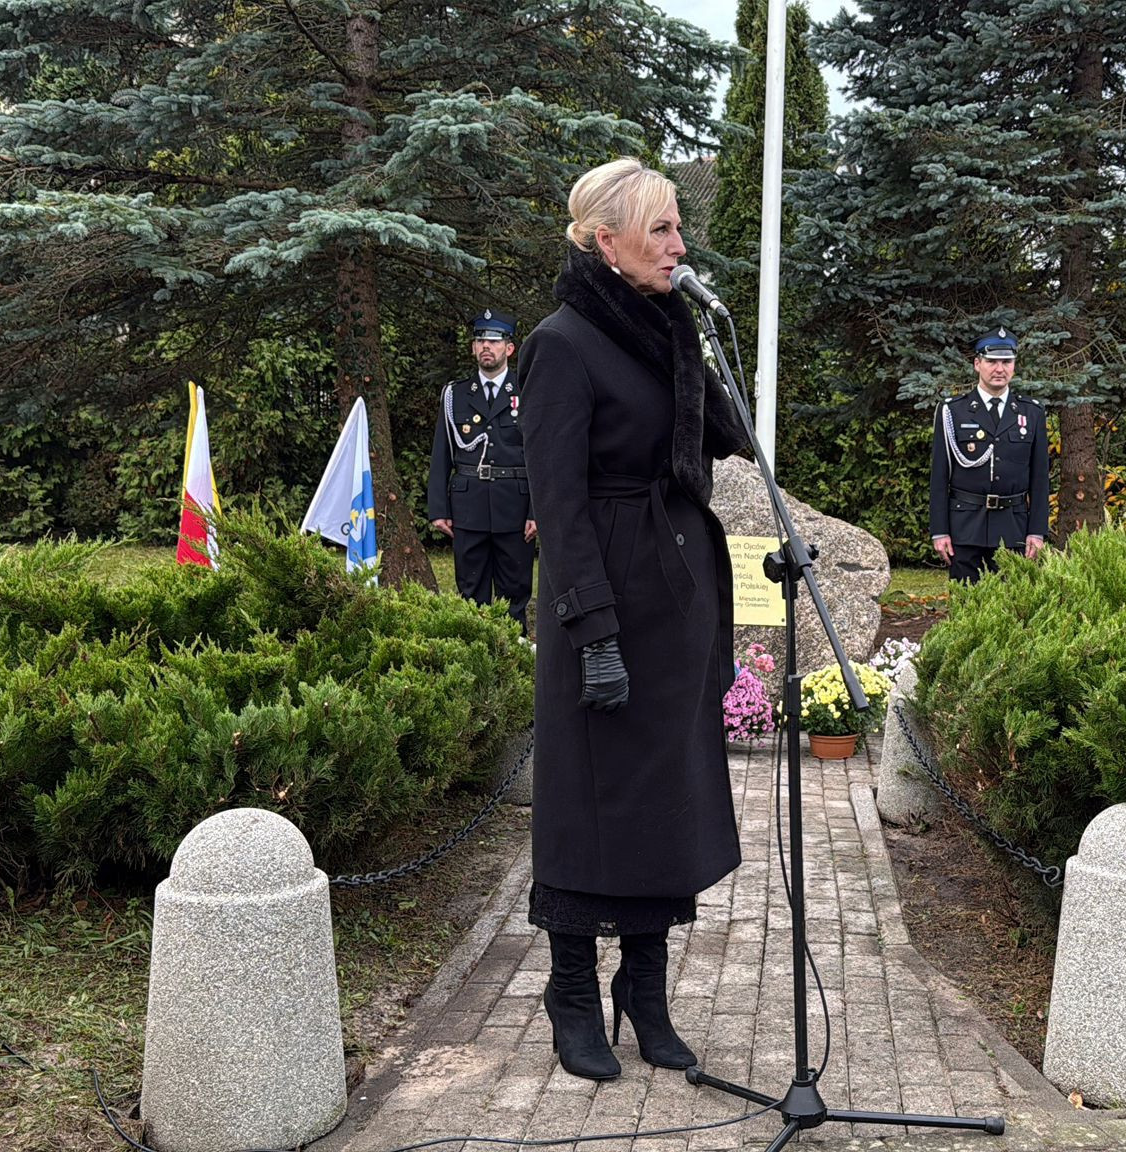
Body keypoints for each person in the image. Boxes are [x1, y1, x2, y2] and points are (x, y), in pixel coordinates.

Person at [516, 157, 750, 1081]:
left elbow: (721, 439)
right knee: (589, 805)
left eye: (678, 228)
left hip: (675, 594)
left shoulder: (667, 331)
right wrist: (591, 629)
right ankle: (572, 990)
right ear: (604, 242)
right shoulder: (561, 344)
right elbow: (560, 505)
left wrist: (703, 348)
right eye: (661, 230)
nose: (680, 246)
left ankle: (642, 993)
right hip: (602, 602)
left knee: (662, 801)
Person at [429, 310, 536, 629]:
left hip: (514, 509)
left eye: (494, 340)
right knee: (470, 591)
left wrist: (537, 510)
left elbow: (539, 456)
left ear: (509, 348)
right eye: (480, 340)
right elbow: (441, 453)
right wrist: (438, 508)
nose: (486, 346)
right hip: (469, 507)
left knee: (514, 594)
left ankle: (513, 658)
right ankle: (473, 659)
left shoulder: (527, 391)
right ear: (473, 348)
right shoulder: (455, 395)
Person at [929, 328, 1051, 583]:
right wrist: (939, 531)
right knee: (965, 609)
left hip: (1013, 528)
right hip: (965, 527)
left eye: (1006, 361)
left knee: (1014, 610)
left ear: (1014, 366)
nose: (999, 368)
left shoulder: (1032, 413)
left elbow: (1040, 480)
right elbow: (939, 477)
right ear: (977, 364)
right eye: (992, 361)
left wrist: (1037, 532)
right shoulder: (953, 411)